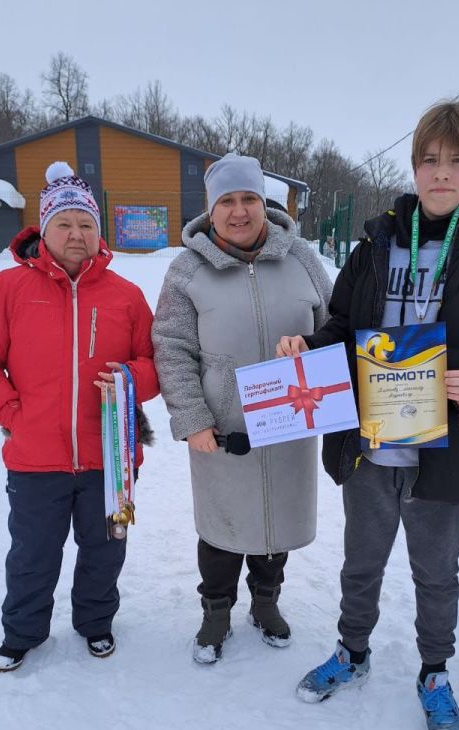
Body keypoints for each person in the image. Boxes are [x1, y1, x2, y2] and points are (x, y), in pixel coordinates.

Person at [277, 100, 459, 730]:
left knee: (437, 575)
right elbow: (343, 326)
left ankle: (434, 673)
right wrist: (310, 349)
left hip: (447, 455)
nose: (441, 172)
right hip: (370, 450)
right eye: (430, 159)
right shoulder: (375, 246)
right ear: (414, 165)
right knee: (361, 563)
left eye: (457, 160)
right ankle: (353, 651)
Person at [0, 162, 159, 672]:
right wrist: (10, 411)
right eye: (65, 224)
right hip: (35, 456)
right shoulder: (9, 289)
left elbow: (157, 363)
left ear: (99, 233)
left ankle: (96, 623)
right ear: (43, 231)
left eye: (86, 224)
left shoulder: (126, 296)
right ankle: (22, 632)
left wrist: (131, 378)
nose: (77, 234)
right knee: (32, 554)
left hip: (108, 457)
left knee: (105, 550)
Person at [152, 152, 333, 664]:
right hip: (222, 429)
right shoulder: (188, 270)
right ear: (211, 211)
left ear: (264, 202)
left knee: (275, 524)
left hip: (291, 418)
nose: (239, 211)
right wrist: (192, 421)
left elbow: (335, 324)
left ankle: (266, 602)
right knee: (223, 530)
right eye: (227, 201)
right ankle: (216, 611)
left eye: (249, 198)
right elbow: (171, 346)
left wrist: (312, 348)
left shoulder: (300, 258)